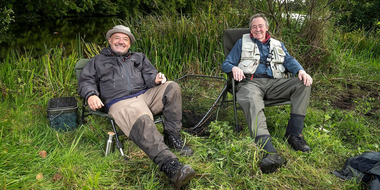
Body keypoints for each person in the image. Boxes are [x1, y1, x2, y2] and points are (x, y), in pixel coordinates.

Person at [78, 25, 195, 188]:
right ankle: (171, 167)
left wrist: (156, 78)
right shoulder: (97, 61)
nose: (121, 42)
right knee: (142, 118)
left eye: (125, 39)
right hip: (120, 101)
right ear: (110, 40)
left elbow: (150, 75)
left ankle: (172, 136)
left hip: (145, 95)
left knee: (172, 87)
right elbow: (85, 81)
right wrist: (91, 94)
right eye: (117, 38)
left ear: (130, 44)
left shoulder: (138, 57)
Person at [221, 13, 313, 174]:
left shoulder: (278, 44)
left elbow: (289, 61)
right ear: (251, 29)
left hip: (274, 83)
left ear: (267, 28)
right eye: (254, 27)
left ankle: (293, 135)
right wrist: (234, 67)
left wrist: (301, 71)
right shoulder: (242, 43)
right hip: (250, 82)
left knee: (302, 84)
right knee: (250, 97)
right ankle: (268, 151)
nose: (257, 29)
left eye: (260, 26)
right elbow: (226, 63)